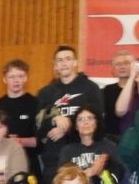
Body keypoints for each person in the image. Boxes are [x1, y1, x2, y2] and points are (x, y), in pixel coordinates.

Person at [35, 45, 105, 183]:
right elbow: (37, 127)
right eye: (59, 60)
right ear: (55, 65)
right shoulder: (45, 92)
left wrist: (68, 126)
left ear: (75, 62)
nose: (64, 63)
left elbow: (99, 121)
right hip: (53, 159)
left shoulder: (91, 88)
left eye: (68, 59)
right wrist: (54, 119)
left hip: (83, 156)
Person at [0, 59, 39, 175]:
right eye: (11, 77)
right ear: (4, 79)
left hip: (29, 163)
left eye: (20, 76)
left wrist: (20, 141)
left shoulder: (35, 104)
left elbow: (41, 140)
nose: (16, 80)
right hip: (0, 164)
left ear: (26, 78)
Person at [58, 105, 125, 184]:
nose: (85, 122)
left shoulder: (109, 147)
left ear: (96, 123)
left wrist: (101, 173)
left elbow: (116, 179)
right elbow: (62, 179)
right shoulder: (67, 151)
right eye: (80, 119)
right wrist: (91, 172)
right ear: (76, 126)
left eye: (90, 118)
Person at [103, 51, 134, 141]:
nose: (122, 67)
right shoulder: (107, 90)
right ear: (113, 69)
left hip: (136, 139)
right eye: (118, 64)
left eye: (126, 63)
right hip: (111, 139)